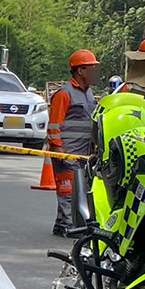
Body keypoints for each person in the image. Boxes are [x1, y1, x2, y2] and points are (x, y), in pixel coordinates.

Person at [48, 50, 100, 238]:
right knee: (67, 191)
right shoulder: (64, 94)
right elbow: (54, 123)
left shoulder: (89, 93)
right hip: (67, 151)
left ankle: (61, 224)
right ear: (80, 70)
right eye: (92, 68)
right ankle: (68, 226)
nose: (95, 72)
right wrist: (58, 148)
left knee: (79, 190)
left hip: (83, 152)